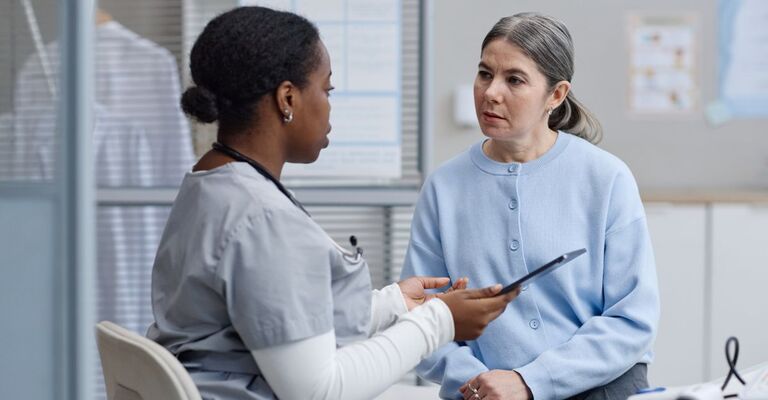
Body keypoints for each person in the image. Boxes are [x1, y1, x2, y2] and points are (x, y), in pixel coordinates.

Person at [146, 7, 519, 400]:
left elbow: (273, 314)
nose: (328, 106)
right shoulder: (262, 219)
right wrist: (440, 321)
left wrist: (393, 304)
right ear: (287, 98)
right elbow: (322, 390)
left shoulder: (210, 181)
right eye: (326, 90)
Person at [400, 12, 660, 400]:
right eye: (485, 73)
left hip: (599, 386)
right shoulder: (443, 187)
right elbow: (421, 316)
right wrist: (477, 383)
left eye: (514, 80)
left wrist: (529, 381)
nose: (491, 92)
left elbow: (632, 319)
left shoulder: (606, 178)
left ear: (556, 95)